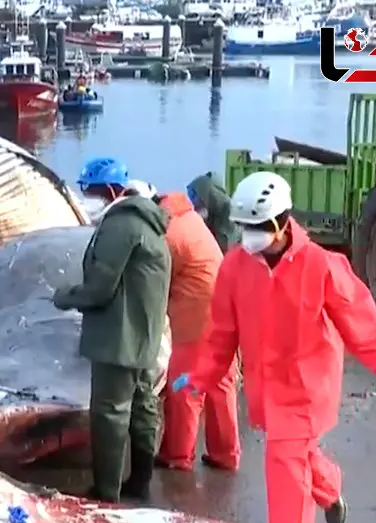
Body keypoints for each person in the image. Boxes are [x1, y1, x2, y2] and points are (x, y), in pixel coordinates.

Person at [171, 171, 376, 523]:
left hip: (307, 390)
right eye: (243, 227)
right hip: (267, 389)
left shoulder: (324, 267)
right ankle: (330, 491)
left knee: (284, 467)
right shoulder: (235, 269)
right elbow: (222, 333)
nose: (249, 236)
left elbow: (363, 332)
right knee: (298, 457)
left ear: (281, 223)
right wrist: (201, 376)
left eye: (257, 228)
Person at [51, 157, 171, 503]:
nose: (87, 197)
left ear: (113, 191)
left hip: (118, 340)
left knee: (110, 412)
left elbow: (100, 287)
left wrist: (65, 298)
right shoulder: (151, 227)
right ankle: (141, 480)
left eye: (92, 191)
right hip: (145, 338)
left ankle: (106, 491)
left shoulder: (121, 226)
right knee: (143, 406)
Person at [149, 182, 241, 472]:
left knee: (184, 385)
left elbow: (155, 281)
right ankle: (225, 454)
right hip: (224, 313)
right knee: (220, 384)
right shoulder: (191, 221)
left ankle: (177, 455)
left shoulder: (168, 234)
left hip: (196, 320)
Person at [187, 172, 235, 252]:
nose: (191, 201)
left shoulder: (231, 212)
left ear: (205, 194)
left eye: (193, 196)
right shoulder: (207, 213)